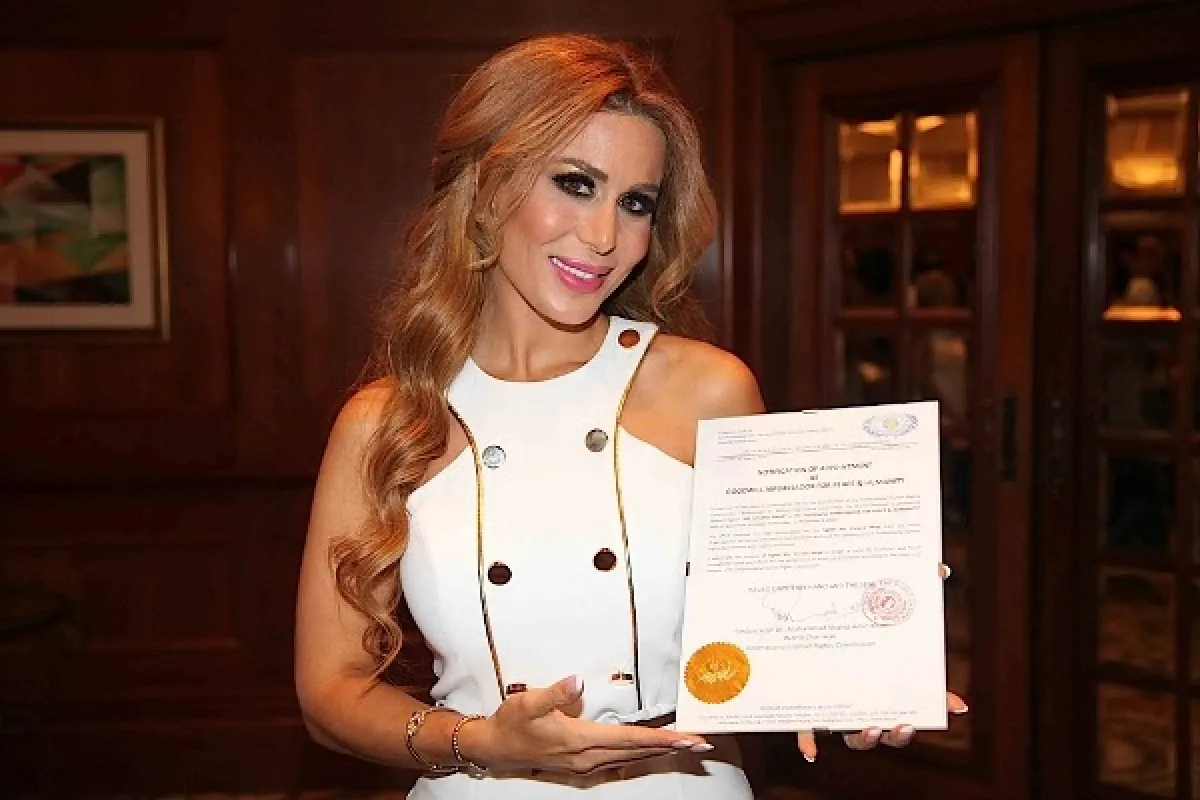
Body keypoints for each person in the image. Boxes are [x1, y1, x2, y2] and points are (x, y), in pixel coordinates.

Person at [294, 32, 967, 798]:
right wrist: (480, 742)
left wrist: (859, 667)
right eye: (575, 184)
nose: (604, 236)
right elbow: (331, 693)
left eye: (635, 203)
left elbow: (782, 627)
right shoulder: (386, 422)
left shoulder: (709, 390)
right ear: (484, 188)